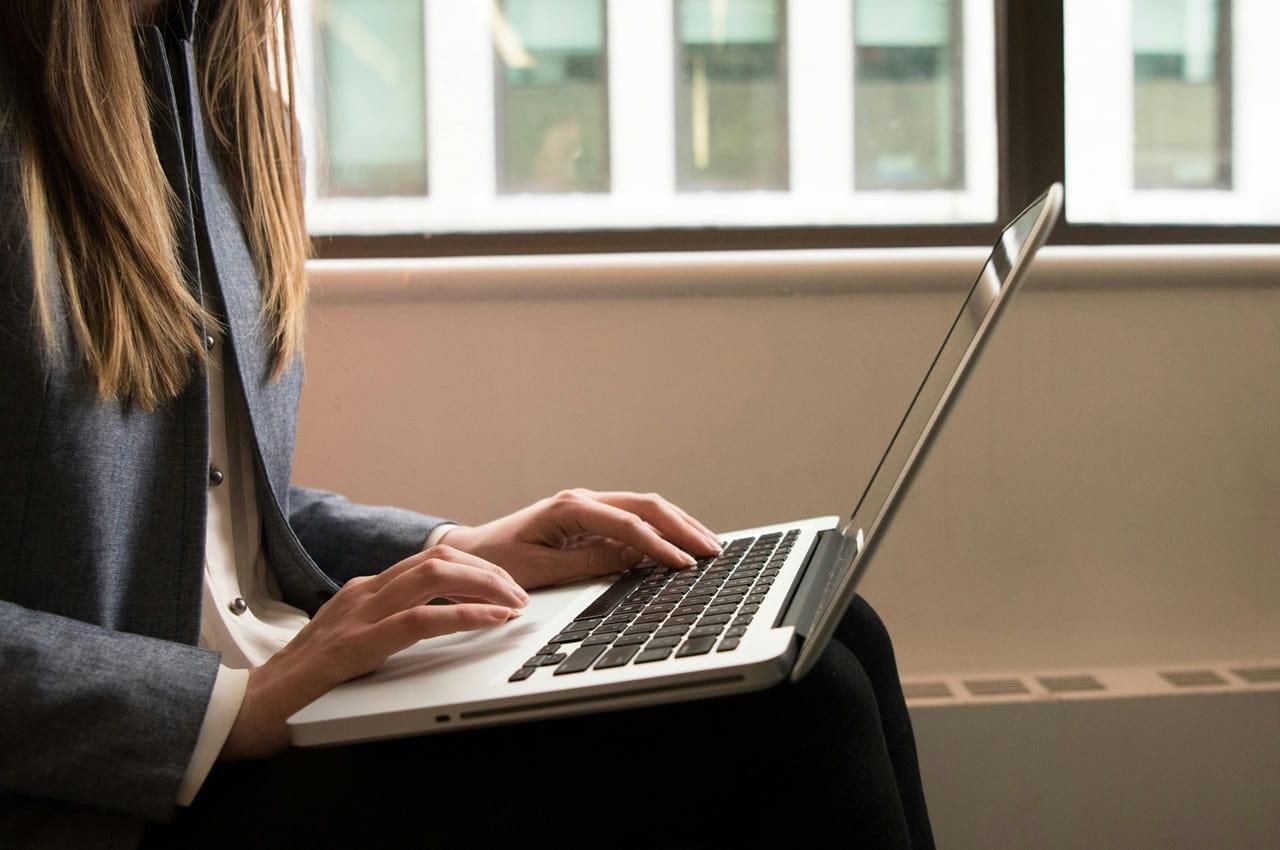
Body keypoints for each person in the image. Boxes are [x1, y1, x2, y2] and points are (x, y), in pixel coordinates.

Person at [0, 2, 935, 848]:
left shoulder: (212, 79)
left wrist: (458, 547)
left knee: (838, 629)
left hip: (282, 688)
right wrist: (217, 710)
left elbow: (206, 521)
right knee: (804, 716)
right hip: (124, 781)